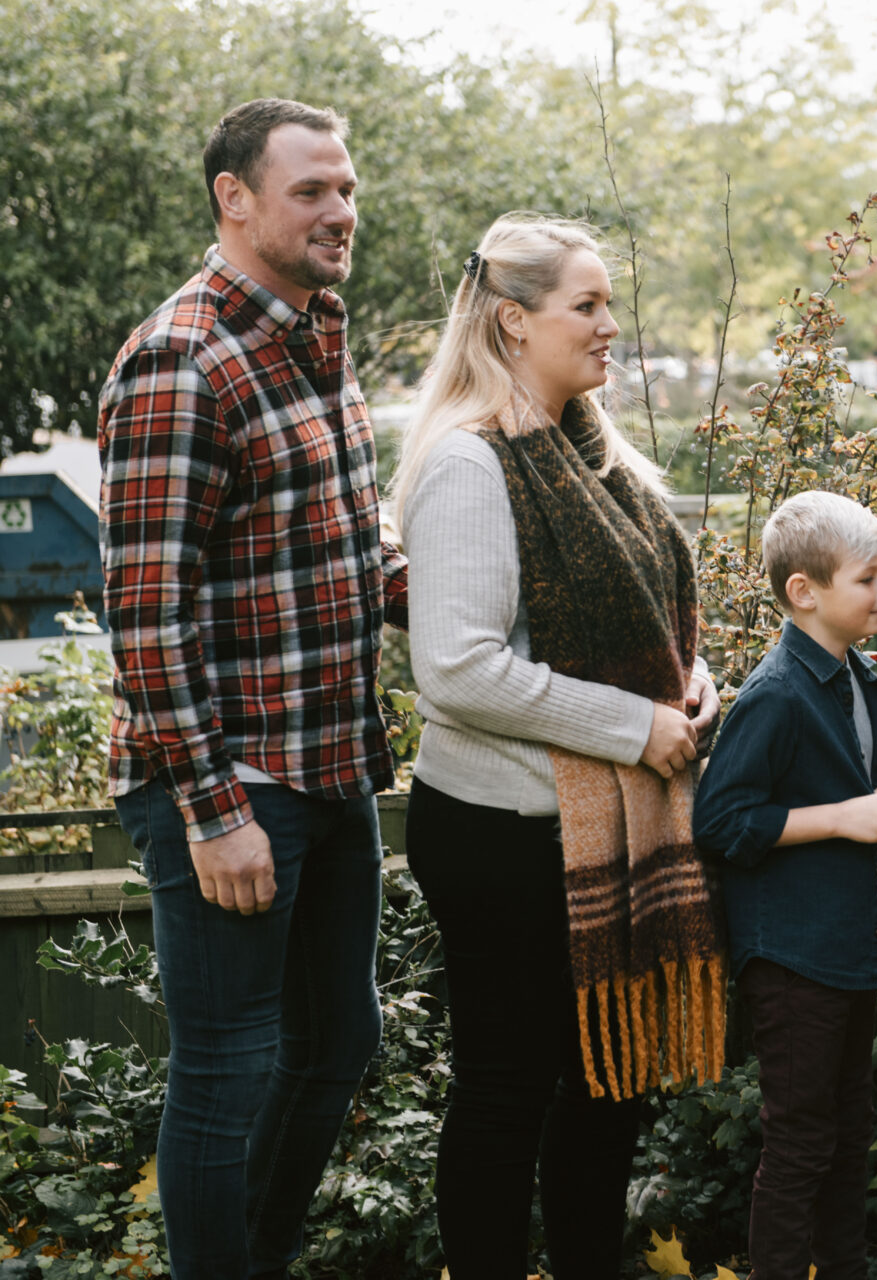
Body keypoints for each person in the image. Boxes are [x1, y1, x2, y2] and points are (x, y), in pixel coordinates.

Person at [97, 98, 407, 1277]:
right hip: (231, 778)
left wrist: (454, 592)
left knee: (337, 1045)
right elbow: (146, 614)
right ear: (235, 198)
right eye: (313, 191)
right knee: (226, 1065)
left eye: (348, 189)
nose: (342, 212)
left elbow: (343, 543)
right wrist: (213, 807)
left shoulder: (316, 332)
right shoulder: (184, 357)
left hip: (333, 764)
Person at [387, 214, 723, 1277]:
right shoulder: (471, 467)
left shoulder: (592, 454)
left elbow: (651, 629)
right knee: (508, 1087)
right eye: (588, 304)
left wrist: (687, 684)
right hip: (501, 835)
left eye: (607, 301)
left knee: (605, 1092)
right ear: (512, 318)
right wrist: (637, 725)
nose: (611, 325)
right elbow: (457, 668)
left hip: (601, 824)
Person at [692, 489, 877, 1280]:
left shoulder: (860, 681)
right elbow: (721, 822)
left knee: (848, 1134)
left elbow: (847, 789)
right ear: (806, 592)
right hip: (791, 955)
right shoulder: (776, 694)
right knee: (800, 1143)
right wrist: (839, 819)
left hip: (846, 943)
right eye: (869, 578)